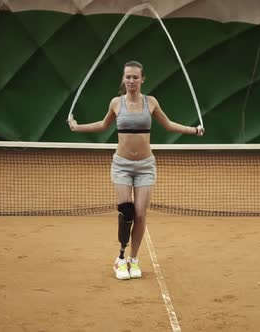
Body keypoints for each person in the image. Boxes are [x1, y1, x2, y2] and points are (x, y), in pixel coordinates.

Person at [67, 60, 204, 280]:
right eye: (128, 77)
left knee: (140, 215)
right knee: (127, 212)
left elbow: (168, 125)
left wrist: (194, 130)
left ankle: (133, 259)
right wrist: (76, 127)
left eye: (135, 77)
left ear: (142, 79)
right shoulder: (116, 103)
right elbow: (103, 125)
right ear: (124, 79)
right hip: (121, 165)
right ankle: (120, 259)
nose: (131, 80)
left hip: (145, 166)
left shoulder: (150, 102)